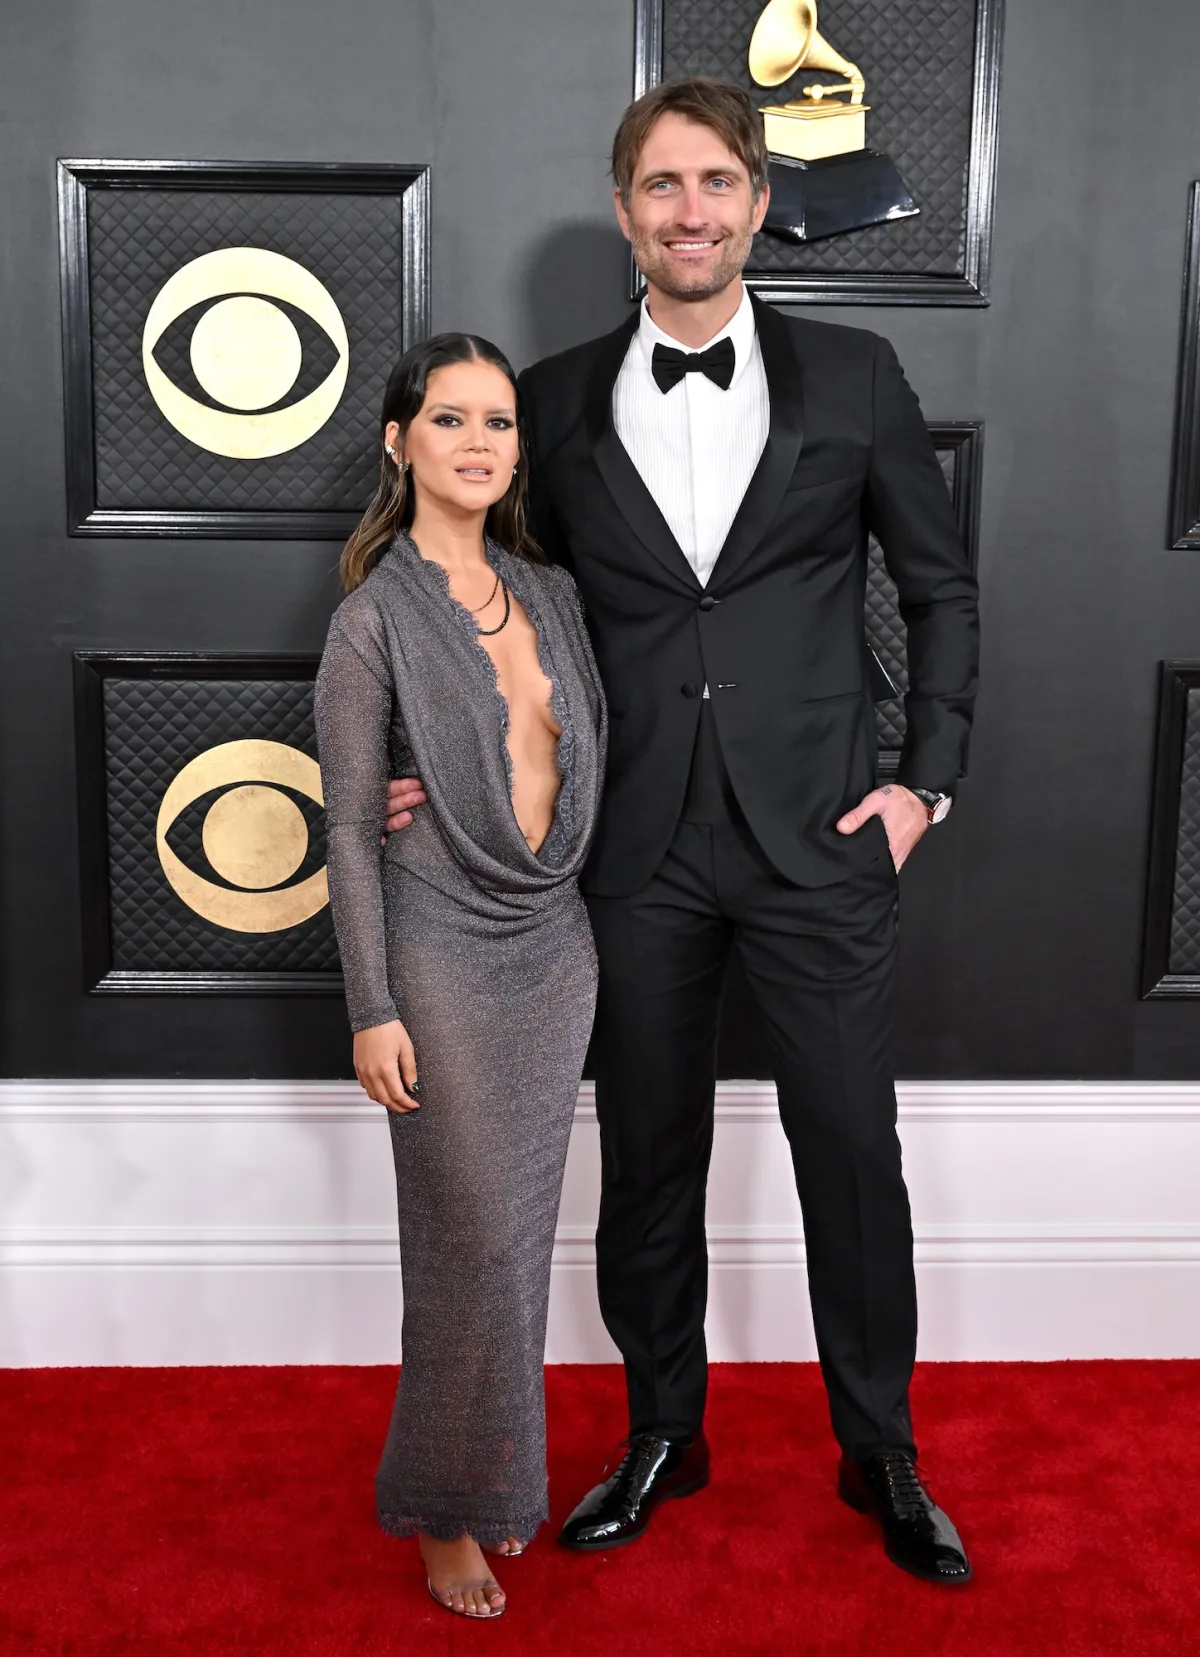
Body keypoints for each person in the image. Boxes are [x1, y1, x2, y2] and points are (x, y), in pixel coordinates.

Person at [386, 78, 979, 1586]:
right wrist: (436, 765)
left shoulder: (855, 375)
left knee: (851, 1152)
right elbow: (488, 602)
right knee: (648, 1159)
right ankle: (664, 1431)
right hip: (628, 848)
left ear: (760, 203)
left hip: (821, 838)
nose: (691, 210)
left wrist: (923, 787)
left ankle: (881, 1449)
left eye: (718, 181)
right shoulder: (553, 398)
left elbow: (940, 590)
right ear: (625, 209)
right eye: (663, 184)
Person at [315, 333, 606, 1619]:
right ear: (400, 441)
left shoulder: (551, 593)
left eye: (498, 421)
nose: (479, 442)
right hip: (434, 945)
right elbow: (345, 825)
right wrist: (371, 1005)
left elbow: (585, 750)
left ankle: (494, 1483)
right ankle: (444, 1513)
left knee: (518, 1242)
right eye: (450, 418)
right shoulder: (371, 617)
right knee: (469, 1240)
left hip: (555, 943)